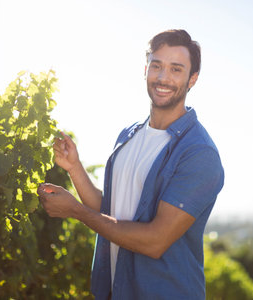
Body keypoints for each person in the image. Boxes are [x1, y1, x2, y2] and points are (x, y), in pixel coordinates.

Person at [37, 29, 224, 300]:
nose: (163, 77)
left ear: (192, 79)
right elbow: (111, 210)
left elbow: (155, 241)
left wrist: (75, 211)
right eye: (157, 66)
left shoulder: (198, 153)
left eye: (176, 69)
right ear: (145, 68)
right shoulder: (129, 135)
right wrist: (74, 168)